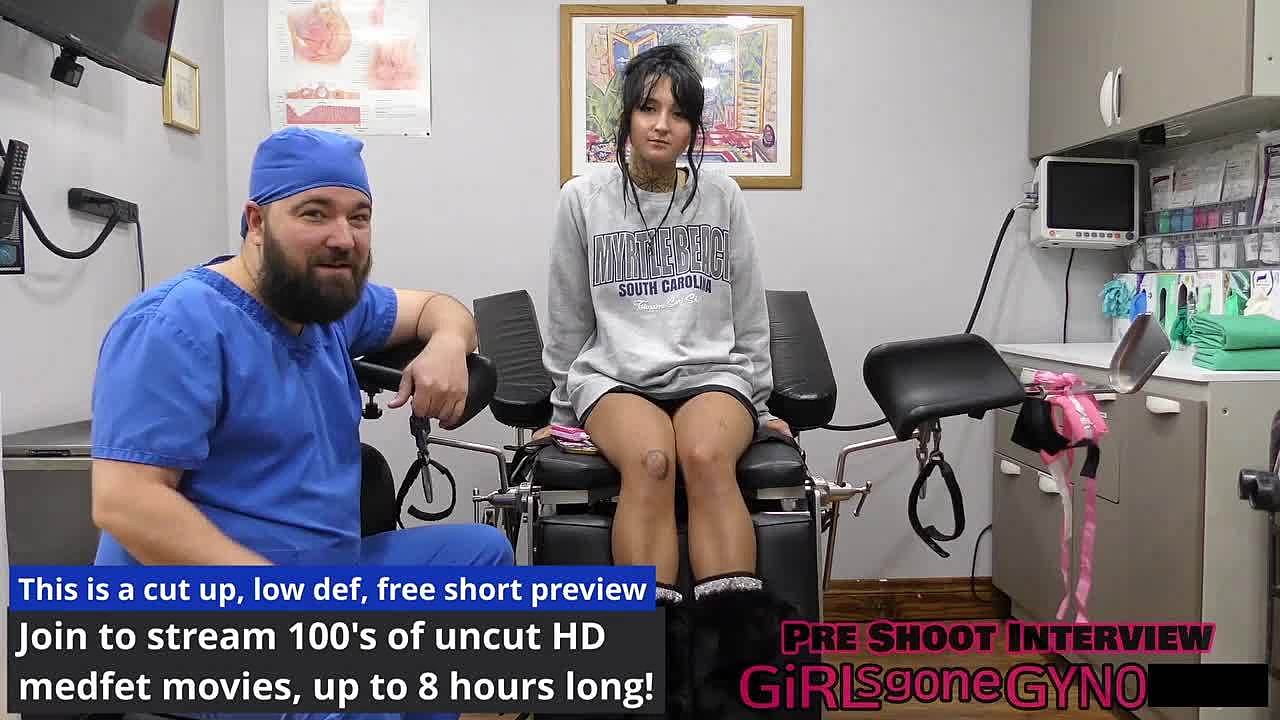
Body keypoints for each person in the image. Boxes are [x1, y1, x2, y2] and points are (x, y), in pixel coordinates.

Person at [89, 126, 513, 720]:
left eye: (359, 217)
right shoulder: (176, 325)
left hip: (322, 572)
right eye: (314, 213)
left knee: (481, 558)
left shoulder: (324, 305)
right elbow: (125, 503)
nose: (342, 237)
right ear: (256, 223)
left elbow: (436, 306)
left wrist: (447, 342)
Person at [539, 44, 797, 719]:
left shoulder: (722, 195)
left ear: (693, 127)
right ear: (625, 115)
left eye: (679, 114)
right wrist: (562, 412)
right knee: (652, 459)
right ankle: (646, 678)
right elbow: (567, 318)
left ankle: (731, 685)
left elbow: (749, 309)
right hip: (614, 377)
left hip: (712, 372)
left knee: (706, 455)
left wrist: (757, 402)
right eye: (648, 108)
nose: (661, 125)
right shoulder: (582, 199)